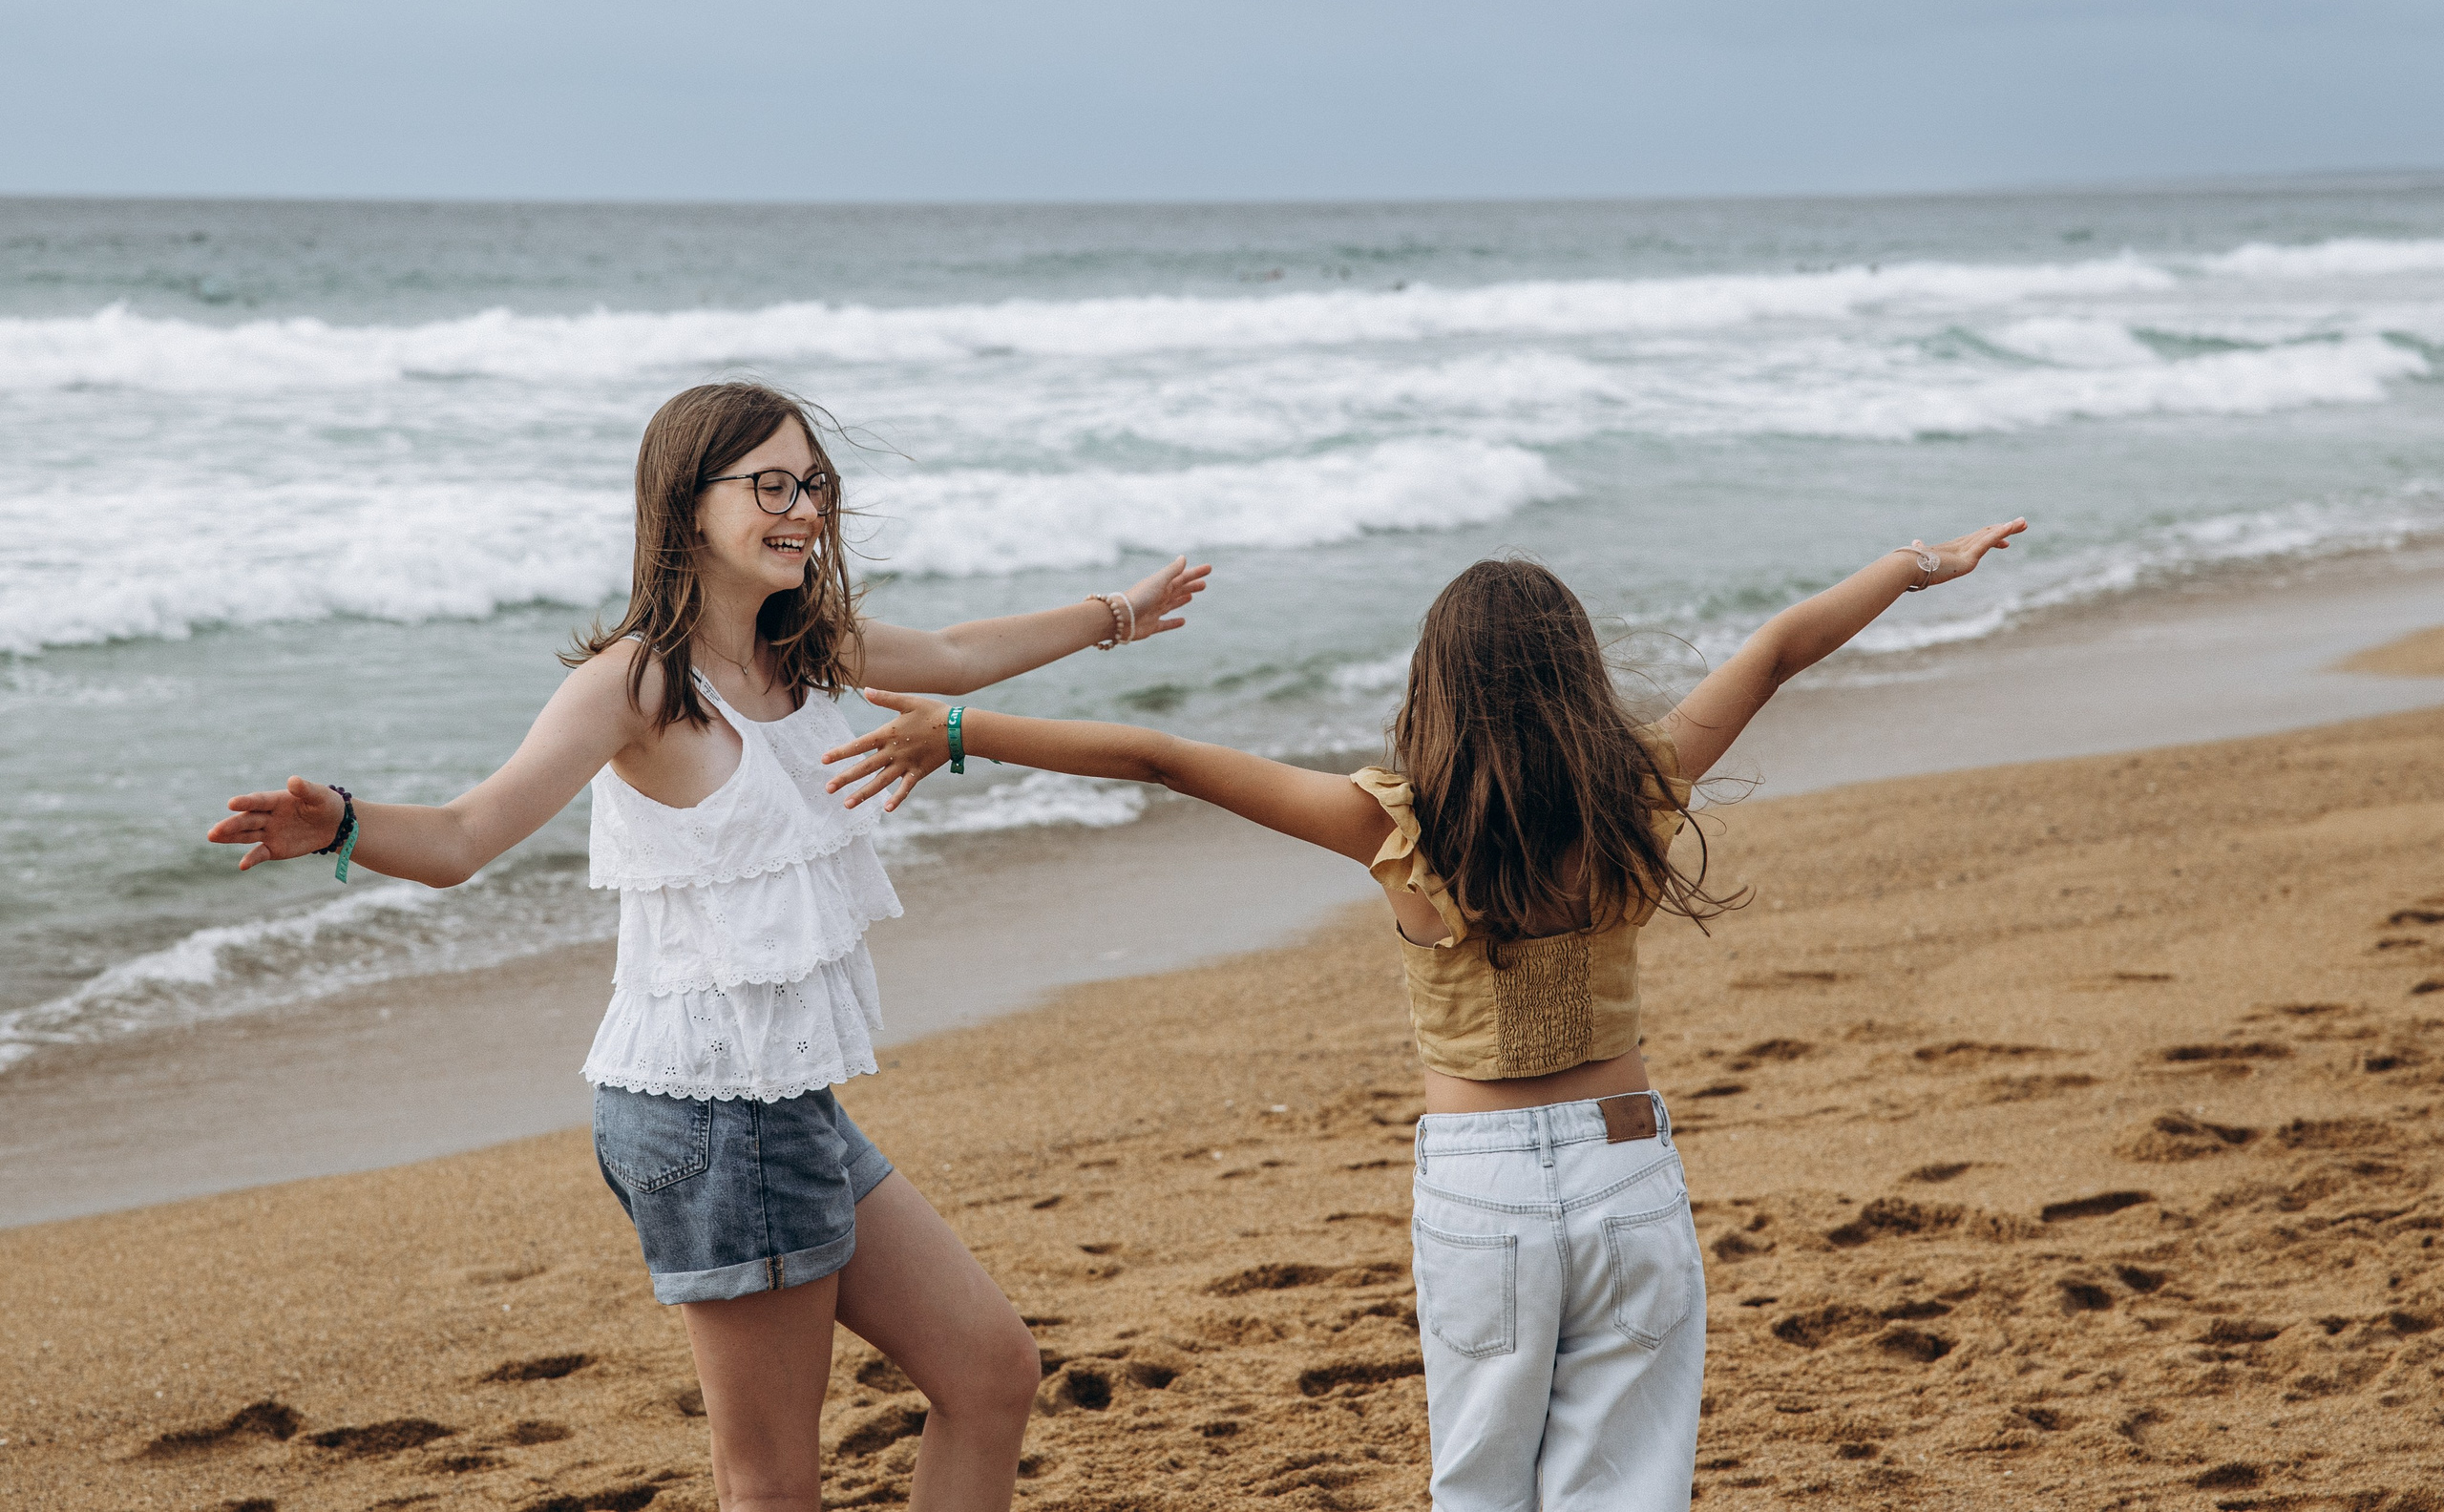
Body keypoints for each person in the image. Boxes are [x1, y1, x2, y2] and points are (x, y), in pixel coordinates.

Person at [821, 521, 2025, 1512]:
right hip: (1624, 1171)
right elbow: (1775, 651)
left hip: (1481, 1187)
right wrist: (1915, 567)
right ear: (1576, 674)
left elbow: (1161, 758)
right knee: (1626, 1485)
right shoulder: (1639, 786)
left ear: (1434, 685)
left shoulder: (1398, 823)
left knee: (1480, 1485)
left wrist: (964, 731)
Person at [205, 380, 1211, 1512]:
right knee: (772, 1483)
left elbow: (961, 654)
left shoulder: (802, 651)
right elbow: (462, 836)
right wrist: (341, 821)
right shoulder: (637, 683)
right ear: (687, 506)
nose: (802, 509)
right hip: (710, 1115)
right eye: (769, 485)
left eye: (813, 485)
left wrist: (1117, 613)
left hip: (783, 1099)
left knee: (989, 1373)